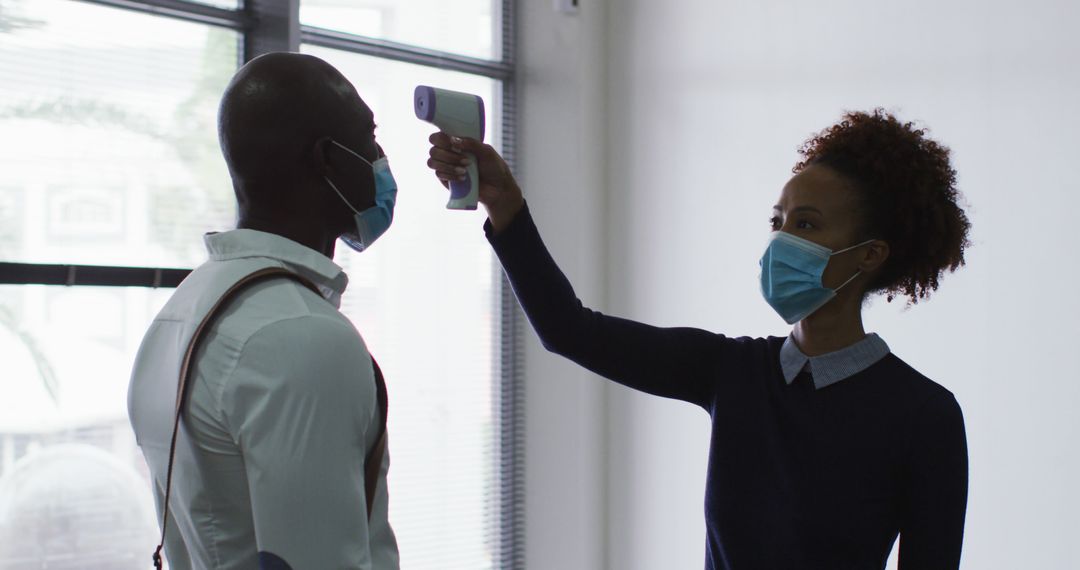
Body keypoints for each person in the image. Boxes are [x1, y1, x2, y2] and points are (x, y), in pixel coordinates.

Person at [426, 109, 970, 569]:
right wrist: (503, 202)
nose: (781, 241)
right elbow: (568, 328)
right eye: (777, 221)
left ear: (871, 254)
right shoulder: (731, 371)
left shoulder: (924, 415)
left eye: (806, 225)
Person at [128, 52, 399, 569]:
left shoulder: (183, 310)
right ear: (327, 159)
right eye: (369, 138)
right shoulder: (303, 335)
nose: (380, 158)